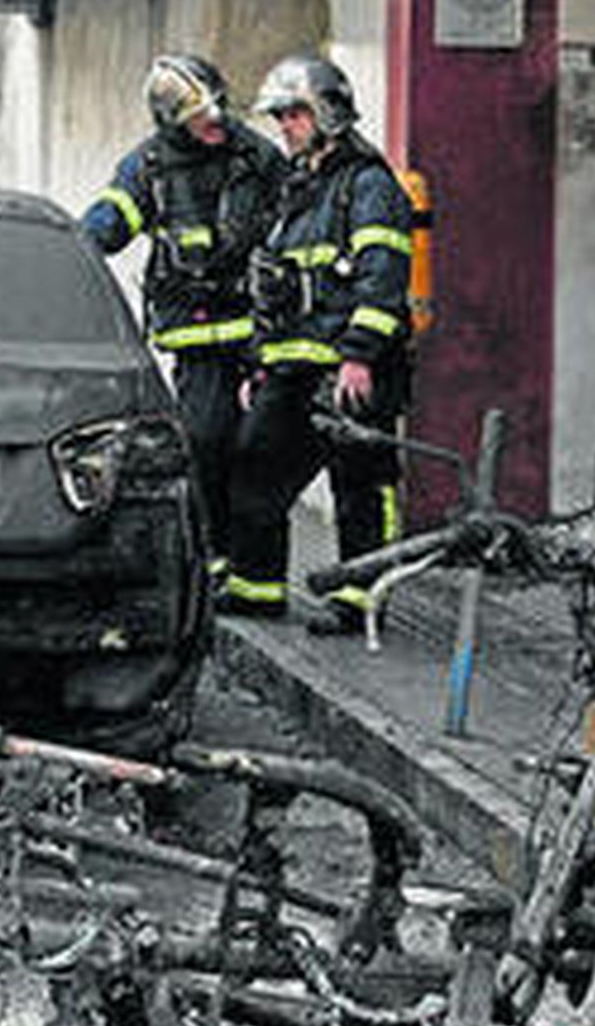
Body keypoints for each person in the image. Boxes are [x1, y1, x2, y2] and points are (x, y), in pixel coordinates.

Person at [221, 54, 414, 630]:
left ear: (327, 113)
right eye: (280, 117)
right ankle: (257, 588)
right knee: (255, 463)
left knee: (360, 482)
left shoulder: (369, 185)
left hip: (350, 366)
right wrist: (258, 365)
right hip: (291, 366)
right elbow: (274, 285)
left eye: (295, 114)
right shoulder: (297, 190)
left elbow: (383, 276)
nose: (285, 126)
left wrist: (360, 356)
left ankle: (361, 599)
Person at [81, 56, 286, 578]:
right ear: (171, 120)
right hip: (198, 339)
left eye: (217, 107)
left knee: (261, 450)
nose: (214, 120)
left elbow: (296, 220)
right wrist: (71, 248)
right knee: (204, 441)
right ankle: (213, 552)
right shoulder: (149, 167)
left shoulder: (259, 157)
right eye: (199, 114)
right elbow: (110, 221)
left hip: (262, 329)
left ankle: (255, 571)